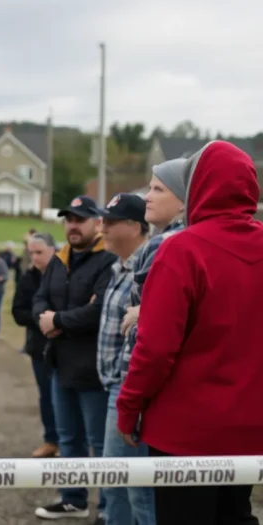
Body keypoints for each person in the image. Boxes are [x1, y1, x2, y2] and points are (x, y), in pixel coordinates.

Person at [117, 141, 263, 525]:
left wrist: (129, 406)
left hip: (185, 434)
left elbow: (155, 348)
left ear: (197, 187)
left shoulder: (181, 250)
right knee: (235, 515)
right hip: (250, 428)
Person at [32, 195, 117, 522]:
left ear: (97, 222)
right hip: (61, 365)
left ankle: (109, 510)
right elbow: (41, 299)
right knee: (68, 439)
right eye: (69, 219)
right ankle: (73, 500)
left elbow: (99, 312)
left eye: (80, 219)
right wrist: (47, 319)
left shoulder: (107, 259)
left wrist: (57, 321)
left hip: (95, 370)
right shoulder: (59, 258)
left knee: (100, 444)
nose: (73, 225)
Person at [93, 193, 155, 525]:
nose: (101, 227)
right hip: (114, 385)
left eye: (110, 221)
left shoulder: (147, 269)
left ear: (134, 226)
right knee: (117, 481)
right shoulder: (119, 267)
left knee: (131, 484)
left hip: (128, 388)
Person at [119, 158, 187, 373]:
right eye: (149, 188)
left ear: (183, 200)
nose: (147, 197)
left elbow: (149, 330)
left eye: (158, 189)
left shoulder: (163, 244)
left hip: (150, 372)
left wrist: (140, 314)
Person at [11, 232, 59, 458]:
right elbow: (17, 312)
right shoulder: (27, 278)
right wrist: (41, 320)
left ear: (53, 250)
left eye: (39, 252)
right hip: (39, 348)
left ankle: (71, 442)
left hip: (66, 347)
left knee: (67, 396)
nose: (34, 258)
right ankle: (51, 440)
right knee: (46, 396)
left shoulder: (65, 273)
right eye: (31, 253)